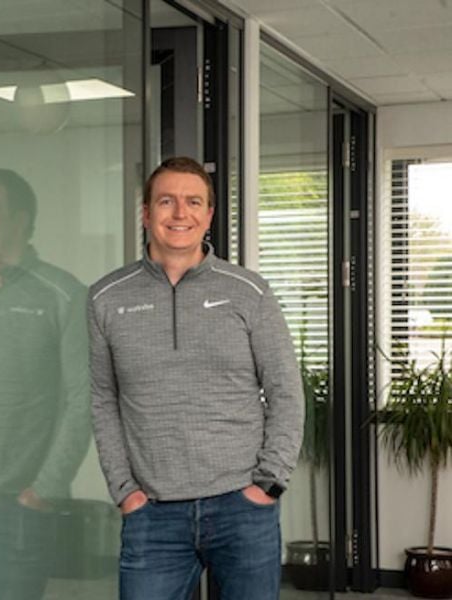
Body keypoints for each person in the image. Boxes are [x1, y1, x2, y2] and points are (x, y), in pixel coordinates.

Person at [88, 156, 303, 600]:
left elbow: (285, 391)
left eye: (193, 202)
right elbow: (103, 400)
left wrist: (268, 484)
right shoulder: (106, 297)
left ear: (208, 215)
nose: (179, 213)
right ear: (146, 213)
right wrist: (124, 491)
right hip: (153, 515)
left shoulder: (249, 291)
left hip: (242, 508)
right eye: (166, 201)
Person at [0, 169, 90, 599]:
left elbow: (83, 400)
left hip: (19, 503)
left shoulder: (63, 295)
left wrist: (45, 489)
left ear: (22, 219)